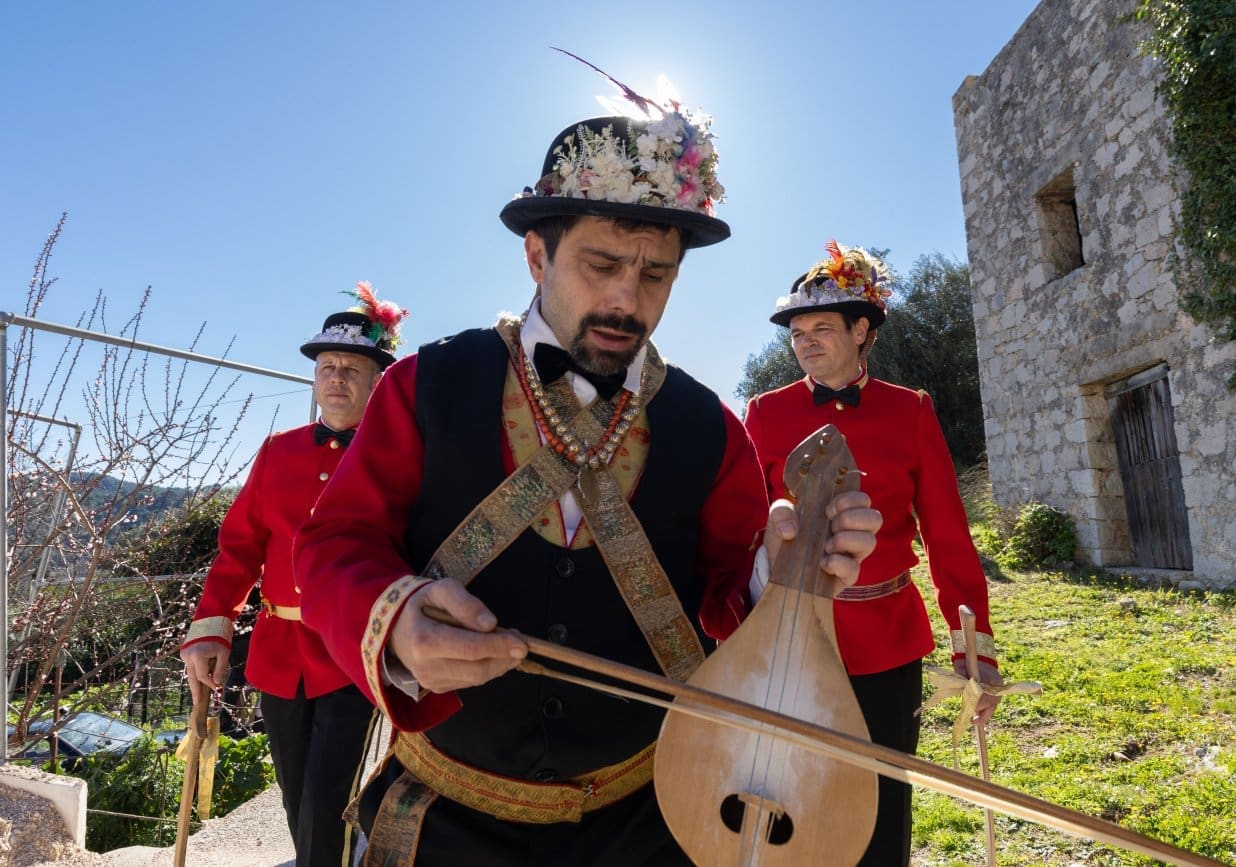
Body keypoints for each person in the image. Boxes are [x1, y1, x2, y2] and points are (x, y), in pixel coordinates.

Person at [293, 86, 882, 866]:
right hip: (445, 821)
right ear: (537, 256)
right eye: (601, 263)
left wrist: (785, 567)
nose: (626, 299)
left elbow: (727, 595)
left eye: (656, 275)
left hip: (650, 819)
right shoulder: (426, 385)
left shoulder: (710, 427)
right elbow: (335, 544)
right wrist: (395, 620)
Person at [743, 241, 1004, 867]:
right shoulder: (765, 413)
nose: (804, 342)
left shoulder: (911, 411)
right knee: (793, 801)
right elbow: (742, 528)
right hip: (792, 642)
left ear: (862, 331)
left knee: (885, 807)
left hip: (888, 644)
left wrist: (975, 650)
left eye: (820, 329)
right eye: (797, 333)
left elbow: (947, 536)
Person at [179, 284, 407, 867]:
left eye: (351, 369)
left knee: (328, 804)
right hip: (280, 653)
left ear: (378, 380)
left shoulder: (400, 458)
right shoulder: (277, 452)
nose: (336, 379)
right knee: (296, 797)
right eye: (327, 367)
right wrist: (212, 627)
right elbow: (240, 547)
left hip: (354, 652)